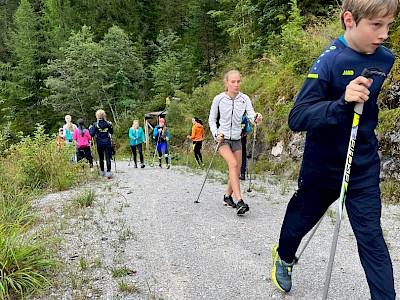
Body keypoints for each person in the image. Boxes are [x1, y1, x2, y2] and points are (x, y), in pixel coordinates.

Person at [271, 1, 399, 298]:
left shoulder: (385, 59)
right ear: (349, 20)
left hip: (362, 163)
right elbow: (298, 117)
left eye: (389, 26)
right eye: (376, 25)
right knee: (300, 221)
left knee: (371, 238)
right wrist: (342, 102)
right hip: (323, 165)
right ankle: (285, 256)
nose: (384, 34)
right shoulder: (329, 61)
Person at [208, 70, 262, 215]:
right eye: (233, 82)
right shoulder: (219, 99)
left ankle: (227, 197)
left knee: (237, 171)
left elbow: (251, 116)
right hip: (223, 138)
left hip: (237, 139)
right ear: (226, 83)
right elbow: (212, 119)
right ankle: (239, 201)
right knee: (233, 164)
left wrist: (257, 117)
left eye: (238, 81)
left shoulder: (244, 99)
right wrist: (215, 134)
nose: (236, 85)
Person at [90, 109, 114, 178]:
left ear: (97, 116)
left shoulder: (95, 124)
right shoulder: (108, 123)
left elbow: (91, 134)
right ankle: (109, 172)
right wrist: (111, 126)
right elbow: (111, 132)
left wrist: (91, 128)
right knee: (108, 157)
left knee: (101, 157)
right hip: (107, 142)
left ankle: (102, 171)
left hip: (99, 143)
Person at [240, 115, 250, 180]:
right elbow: (248, 129)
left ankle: (235, 173)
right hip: (243, 141)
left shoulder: (234, 117)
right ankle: (243, 173)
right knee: (243, 157)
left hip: (235, 141)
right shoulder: (245, 119)